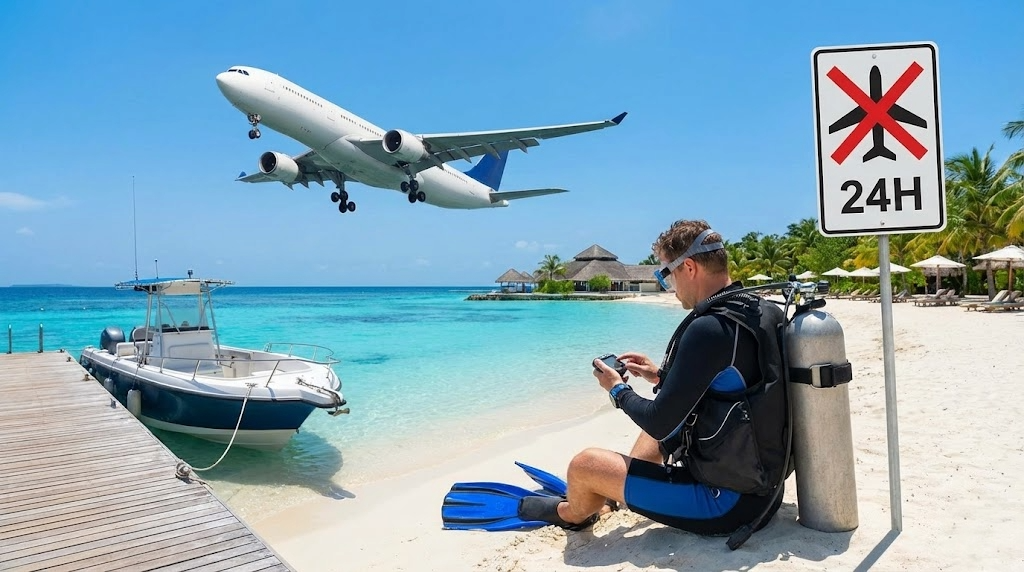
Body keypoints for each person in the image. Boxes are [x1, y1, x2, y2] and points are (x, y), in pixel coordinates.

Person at [517, 219, 789, 537]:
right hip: (765, 488)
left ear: (689, 267)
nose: (668, 286)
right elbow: (735, 387)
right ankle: (618, 491)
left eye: (665, 274)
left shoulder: (710, 328)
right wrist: (658, 375)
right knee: (662, 424)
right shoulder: (758, 310)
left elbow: (659, 422)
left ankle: (572, 514)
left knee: (585, 465)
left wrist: (617, 390)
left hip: (726, 503)